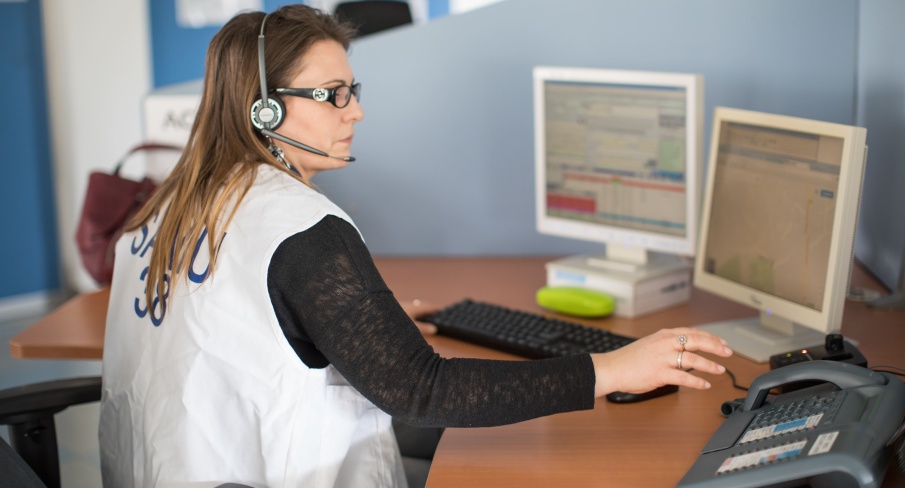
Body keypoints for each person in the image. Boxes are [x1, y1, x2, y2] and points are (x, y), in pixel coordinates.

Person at [99, 5, 733, 487]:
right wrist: (615, 369)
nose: (355, 113)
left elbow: (232, 326)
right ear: (263, 110)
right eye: (332, 96)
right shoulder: (299, 228)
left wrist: (356, 324)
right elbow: (422, 392)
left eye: (354, 92)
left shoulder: (164, 209)